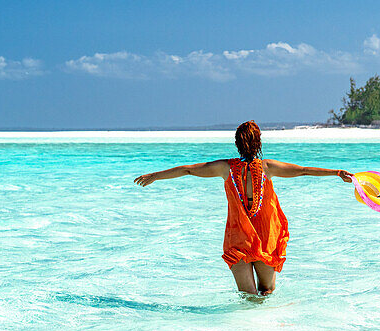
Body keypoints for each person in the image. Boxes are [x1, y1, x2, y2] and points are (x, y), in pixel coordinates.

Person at [133, 120, 352, 295]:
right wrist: (337, 172)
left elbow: (189, 170)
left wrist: (155, 176)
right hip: (265, 239)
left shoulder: (224, 168)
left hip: (237, 239)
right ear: (258, 144)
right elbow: (303, 170)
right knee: (267, 292)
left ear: (237, 143)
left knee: (248, 298)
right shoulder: (267, 167)